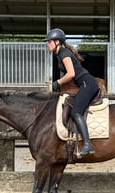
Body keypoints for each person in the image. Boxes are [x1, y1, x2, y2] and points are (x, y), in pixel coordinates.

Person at [44, 28, 99, 156]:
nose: (47, 44)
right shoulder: (60, 54)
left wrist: (57, 83)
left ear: (57, 41)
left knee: (76, 112)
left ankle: (87, 145)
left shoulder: (64, 53)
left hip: (87, 83)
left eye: (49, 41)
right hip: (84, 83)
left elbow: (71, 74)